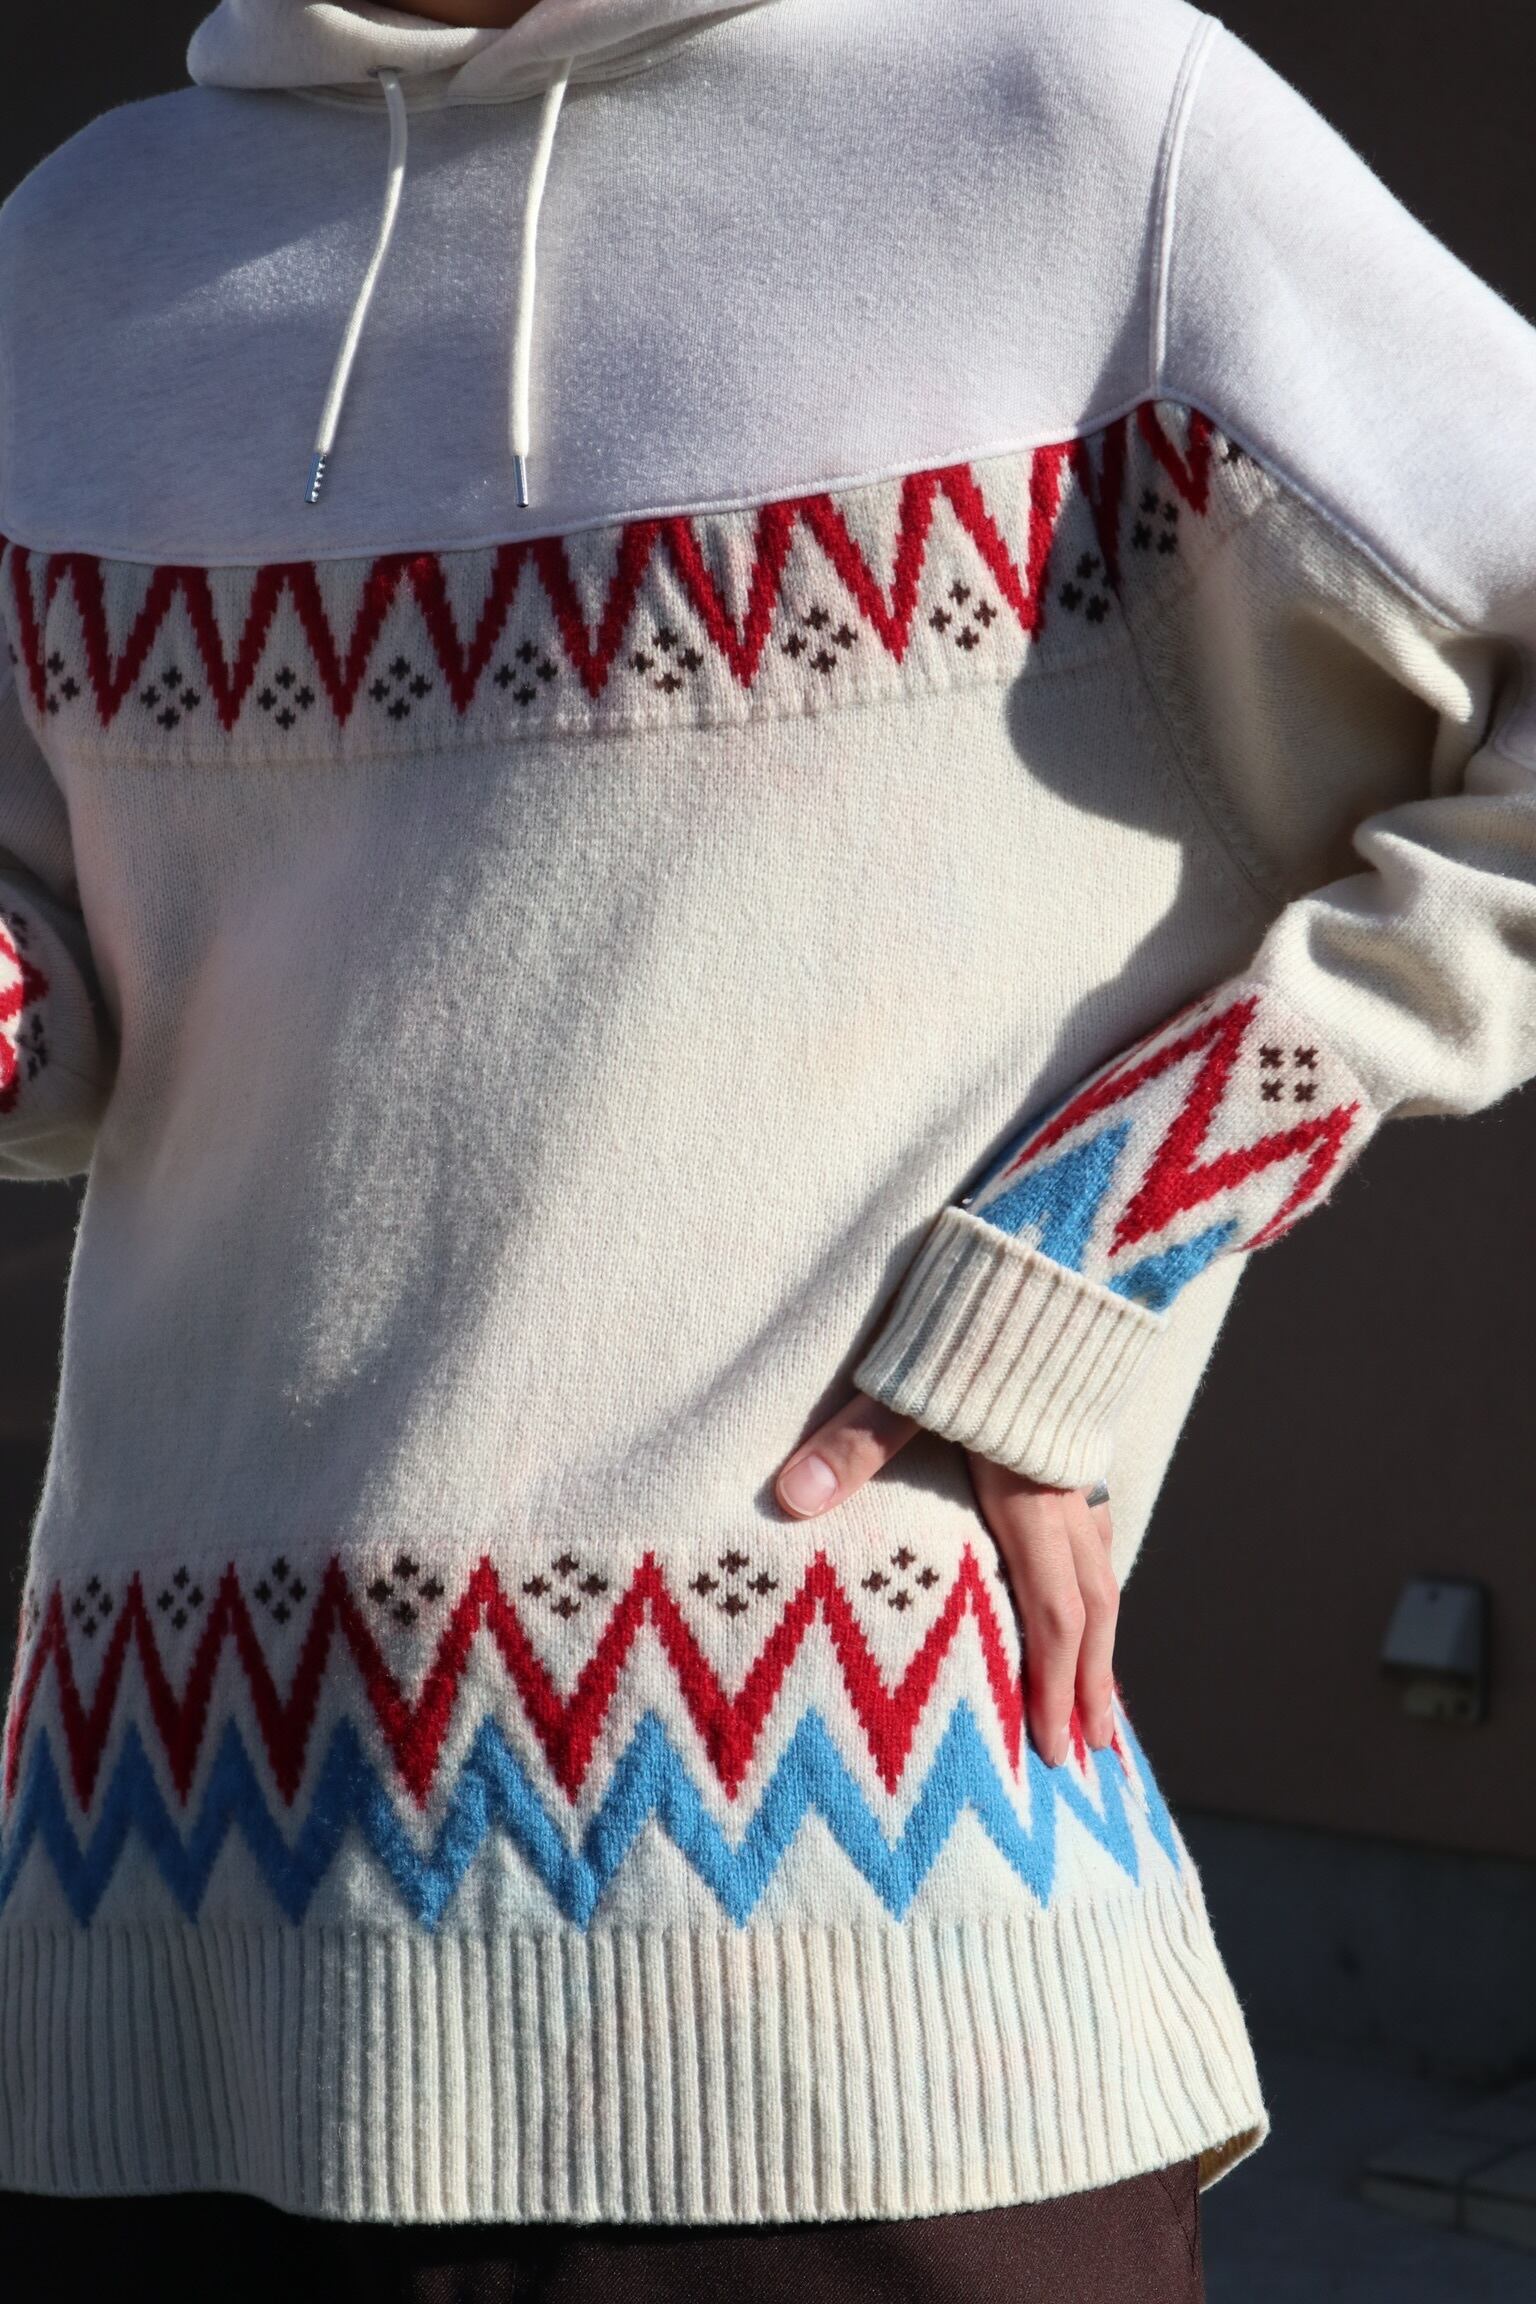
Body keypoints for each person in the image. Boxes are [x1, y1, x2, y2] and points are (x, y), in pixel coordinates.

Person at [1, 0, 1533, 2296]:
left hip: (841, 1977)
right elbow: (72, 975)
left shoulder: (1067, 125)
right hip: (163, 1938)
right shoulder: (79, 253)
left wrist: (1103, 1241)